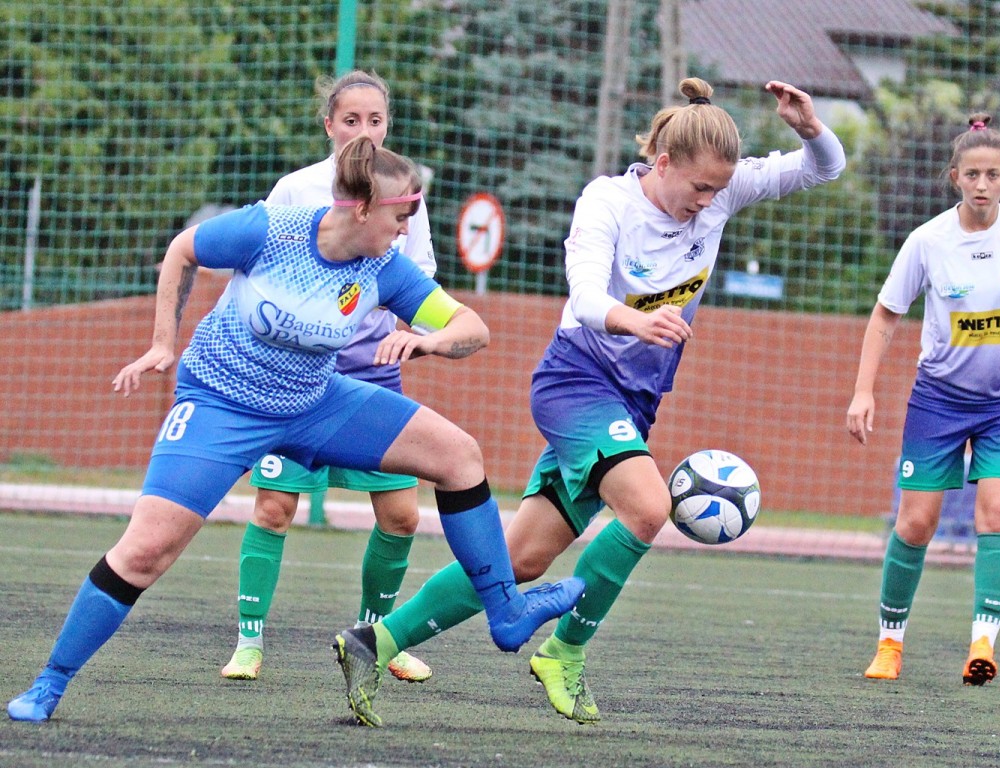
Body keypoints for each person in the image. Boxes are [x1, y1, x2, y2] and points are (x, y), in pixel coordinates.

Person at [7, 135, 585, 725]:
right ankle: (50, 682)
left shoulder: (385, 268)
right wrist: (162, 342)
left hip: (314, 401)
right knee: (146, 550)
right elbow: (183, 249)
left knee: (459, 455)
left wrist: (431, 341)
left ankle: (506, 613)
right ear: (362, 208)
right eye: (401, 214)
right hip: (222, 401)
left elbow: (472, 327)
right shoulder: (271, 230)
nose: (408, 227)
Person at [331, 77, 846, 726]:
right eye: (699, 188)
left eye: (718, 190)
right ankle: (564, 652)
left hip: (631, 404)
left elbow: (824, 169)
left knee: (520, 560)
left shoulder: (720, 192)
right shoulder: (607, 202)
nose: (708, 202)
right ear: (664, 164)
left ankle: (375, 642)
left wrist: (809, 127)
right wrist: (637, 322)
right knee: (649, 507)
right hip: (574, 383)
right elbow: (585, 297)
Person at [220, 69, 440, 685]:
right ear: (329, 126)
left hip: (373, 378)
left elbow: (419, 276)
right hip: (294, 379)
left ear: (388, 126)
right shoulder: (295, 190)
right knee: (274, 509)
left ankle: (376, 638)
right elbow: (255, 268)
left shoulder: (405, 193)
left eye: (375, 120)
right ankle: (248, 643)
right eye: (350, 120)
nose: (363, 131)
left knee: (401, 515)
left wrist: (415, 333)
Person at [845, 113, 1000, 685]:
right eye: (971, 174)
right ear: (955, 177)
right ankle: (889, 645)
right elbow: (885, 316)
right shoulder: (927, 241)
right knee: (916, 522)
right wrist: (863, 390)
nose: (981, 184)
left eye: (992, 174)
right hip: (939, 400)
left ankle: (982, 645)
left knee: (997, 512)